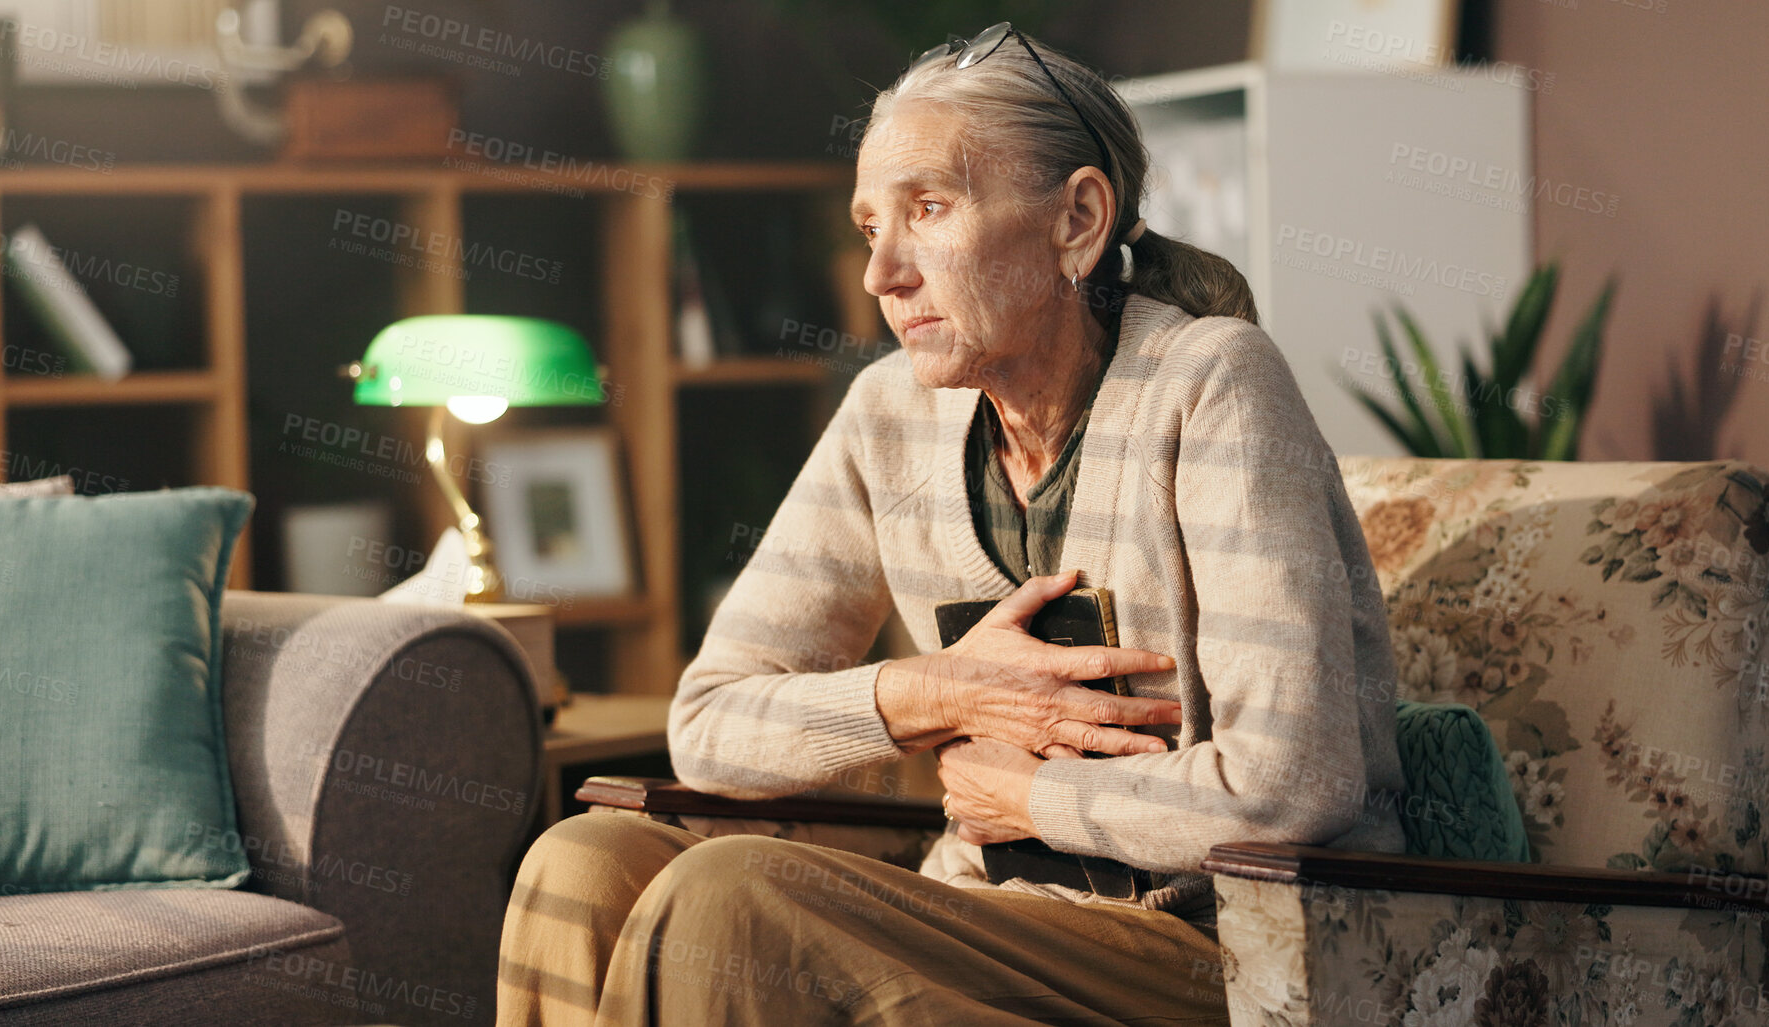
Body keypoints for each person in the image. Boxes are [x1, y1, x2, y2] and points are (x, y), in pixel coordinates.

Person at [497, 22, 1405, 1026]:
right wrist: (943, 690)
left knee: (731, 898)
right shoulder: (891, 414)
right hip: (996, 912)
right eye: (868, 227)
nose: (882, 275)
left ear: (1078, 221)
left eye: (928, 209)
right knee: (580, 862)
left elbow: (1295, 784)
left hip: (1209, 943)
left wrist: (1028, 800)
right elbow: (708, 724)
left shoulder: (1213, 385)